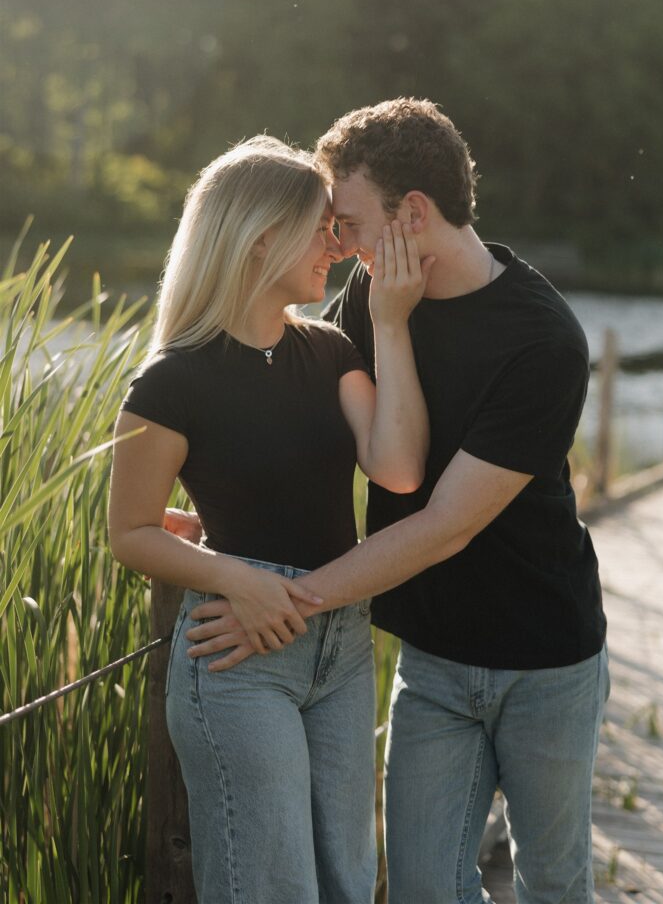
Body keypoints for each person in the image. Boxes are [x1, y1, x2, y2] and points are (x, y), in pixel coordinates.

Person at [186, 100, 609, 904]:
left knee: (552, 883)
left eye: (344, 221)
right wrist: (221, 529)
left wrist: (276, 601)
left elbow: (443, 525)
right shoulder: (368, 300)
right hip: (434, 659)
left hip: (547, 661)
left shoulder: (542, 341)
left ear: (412, 213)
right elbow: (316, 447)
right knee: (420, 890)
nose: (334, 242)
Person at [108, 134, 434, 904]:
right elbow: (129, 531)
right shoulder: (169, 382)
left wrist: (389, 324)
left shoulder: (331, 351)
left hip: (342, 646)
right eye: (320, 228)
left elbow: (398, 468)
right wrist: (234, 577)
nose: (336, 244)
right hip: (237, 656)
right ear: (260, 241)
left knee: (347, 883)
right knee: (271, 888)